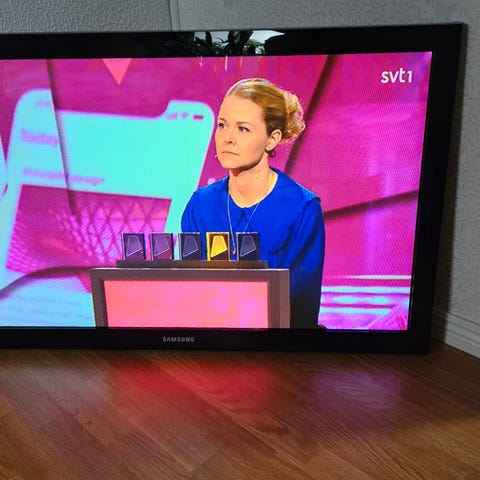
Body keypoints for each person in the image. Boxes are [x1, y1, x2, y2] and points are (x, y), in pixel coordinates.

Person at [181, 78, 325, 328]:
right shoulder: (200, 205)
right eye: (222, 125)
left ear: (272, 139)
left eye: (243, 129)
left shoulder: (302, 209)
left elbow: (300, 308)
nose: (227, 138)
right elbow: (190, 295)